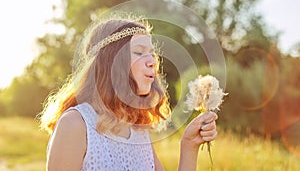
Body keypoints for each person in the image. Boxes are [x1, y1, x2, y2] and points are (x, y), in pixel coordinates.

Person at [39, 16, 218, 171]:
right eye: (139, 52)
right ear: (111, 62)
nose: (152, 62)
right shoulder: (75, 124)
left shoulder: (138, 131)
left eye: (152, 54)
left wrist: (189, 145)